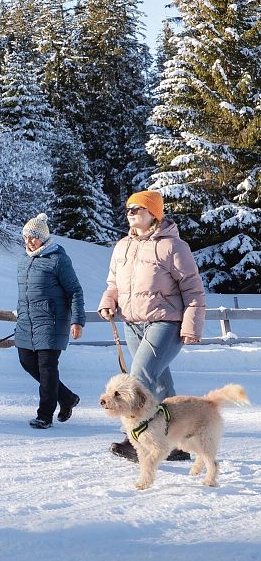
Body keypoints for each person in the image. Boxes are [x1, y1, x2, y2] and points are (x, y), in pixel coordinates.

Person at [97, 190, 206, 462]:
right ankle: (179, 441)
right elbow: (113, 283)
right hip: (132, 324)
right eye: (129, 208)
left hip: (165, 322)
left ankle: (134, 438)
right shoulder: (122, 246)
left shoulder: (173, 247)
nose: (131, 212)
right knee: (158, 385)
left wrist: (192, 327)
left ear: (154, 214)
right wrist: (108, 302)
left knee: (140, 375)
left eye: (138, 208)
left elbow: (193, 290)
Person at [15, 213, 86, 429]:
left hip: (52, 321)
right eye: (26, 237)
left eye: (33, 237)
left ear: (44, 238)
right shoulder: (24, 260)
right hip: (27, 322)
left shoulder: (58, 259)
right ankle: (66, 397)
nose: (28, 241)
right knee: (27, 362)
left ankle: (45, 415)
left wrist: (77, 321)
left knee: (47, 367)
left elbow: (75, 291)